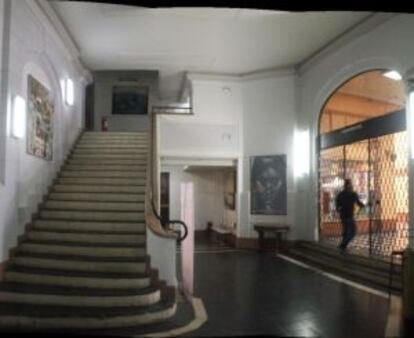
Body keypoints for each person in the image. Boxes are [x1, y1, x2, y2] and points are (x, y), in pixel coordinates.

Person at [335, 179, 365, 253]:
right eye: (351, 184)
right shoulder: (352, 194)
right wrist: (363, 205)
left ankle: (343, 247)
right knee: (353, 232)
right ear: (349, 185)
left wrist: (339, 209)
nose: (352, 185)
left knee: (346, 231)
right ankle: (343, 244)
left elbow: (337, 206)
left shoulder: (340, 194)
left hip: (342, 215)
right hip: (349, 215)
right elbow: (358, 203)